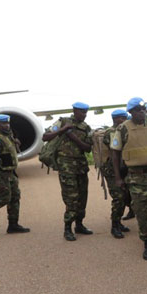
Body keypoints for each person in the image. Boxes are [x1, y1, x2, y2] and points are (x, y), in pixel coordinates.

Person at [111, 97, 147, 260]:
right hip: (136, 178)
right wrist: (118, 177)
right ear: (130, 112)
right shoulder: (123, 128)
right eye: (138, 110)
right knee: (143, 213)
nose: (142, 113)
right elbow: (115, 154)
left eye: (143, 109)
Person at [42, 102, 93, 241]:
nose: (84, 115)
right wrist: (63, 130)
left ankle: (79, 224)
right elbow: (45, 137)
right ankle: (67, 228)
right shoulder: (62, 122)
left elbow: (88, 148)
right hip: (66, 167)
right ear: (74, 111)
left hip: (81, 166)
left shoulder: (86, 127)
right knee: (71, 198)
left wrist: (73, 137)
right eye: (82, 112)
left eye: (86, 112)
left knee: (83, 197)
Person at [102, 109, 130, 239]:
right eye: (122, 118)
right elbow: (115, 151)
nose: (125, 120)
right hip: (113, 171)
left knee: (124, 197)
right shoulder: (110, 133)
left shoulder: (123, 131)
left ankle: (118, 222)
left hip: (124, 168)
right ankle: (114, 226)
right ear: (116, 119)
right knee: (118, 197)